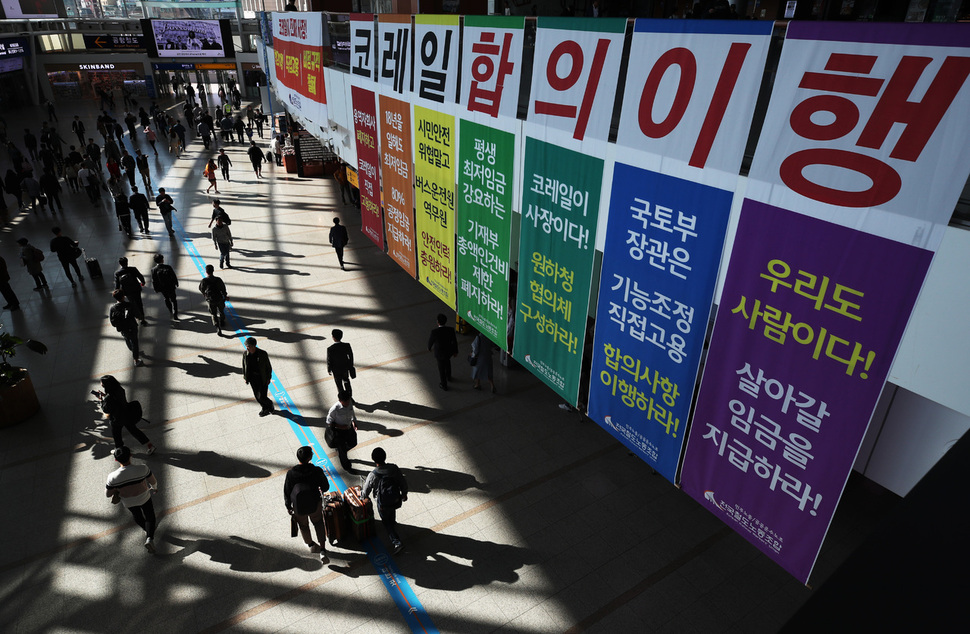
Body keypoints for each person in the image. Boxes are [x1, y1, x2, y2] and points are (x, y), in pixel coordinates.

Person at [105, 446, 158, 554]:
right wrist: (155, 488)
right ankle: (149, 538)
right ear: (131, 455)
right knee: (150, 516)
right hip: (144, 497)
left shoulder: (112, 477)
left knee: (137, 516)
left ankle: (146, 529)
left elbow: (108, 494)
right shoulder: (142, 468)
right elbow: (153, 481)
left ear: (116, 459)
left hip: (129, 502)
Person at [283, 446, 330, 560]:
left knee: (304, 526)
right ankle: (323, 550)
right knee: (318, 523)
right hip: (315, 503)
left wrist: (288, 506)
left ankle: (311, 545)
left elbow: (287, 491)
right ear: (309, 457)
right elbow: (325, 487)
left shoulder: (291, 473)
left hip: (299, 506)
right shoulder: (316, 471)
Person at [361, 447, 408, 554]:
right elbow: (402, 481)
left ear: (373, 460)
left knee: (386, 522)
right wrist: (404, 493)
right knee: (392, 511)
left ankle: (397, 542)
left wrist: (362, 497)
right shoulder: (394, 468)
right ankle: (393, 522)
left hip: (382, 503)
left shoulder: (373, 475)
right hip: (395, 498)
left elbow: (366, 490)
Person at [109, 290, 144, 366]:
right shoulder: (130, 305)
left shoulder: (113, 308)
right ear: (123, 296)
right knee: (134, 342)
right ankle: (136, 359)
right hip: (132, 326)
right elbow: (138, 315)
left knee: (127, 339)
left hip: (123, 328)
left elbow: (113, 322)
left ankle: (132, 349)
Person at [326, 390, 357, 471]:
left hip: (349, 428)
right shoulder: (334, 409)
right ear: (340, 401)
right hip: (339, 432)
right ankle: (347, 467)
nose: (348, 403)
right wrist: (340, 426)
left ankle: (341, 451)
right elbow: (329, 422)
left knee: (353, 442)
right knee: (343, 452)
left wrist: (354, 421)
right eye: (345, 401)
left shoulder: (349, 403)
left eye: (349, 400)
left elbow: (352, 412)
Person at [242, 337, 274, 415]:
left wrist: (268, 378)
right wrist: (245, 377)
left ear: (254, 346)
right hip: (252, 378)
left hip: (262, 378)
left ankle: (269, 405)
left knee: (262, 396)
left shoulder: (263, 354)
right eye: (246, 346)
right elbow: (244, 365)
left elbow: (268, 367)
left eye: (248, 346)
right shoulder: (245, 354)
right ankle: (265, 407)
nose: (247, 348)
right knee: (257, 396)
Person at [428, 313, 458, 390]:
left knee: (441, 369)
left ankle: (444, 385)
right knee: (448, 363)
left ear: (438, 322)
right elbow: (454, 341)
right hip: (448, 352)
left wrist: (429, 348)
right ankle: (449, 377)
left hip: (439, 353)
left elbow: (430, 342)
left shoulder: (434, 332)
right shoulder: (450, 330)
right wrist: (455, 351)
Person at [114, 257, 147, 324]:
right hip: (136, 289)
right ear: (127, 262)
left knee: (132, 303)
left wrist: (117, 293)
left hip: (127, 291)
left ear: (120, 264)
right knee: (139, 303)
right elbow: (140, 276)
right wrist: (142, 282)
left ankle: (137, 316)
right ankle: (142, 318)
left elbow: (117, 285)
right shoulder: (133, 269)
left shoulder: (117, 273)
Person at [199, 264, 228, 334]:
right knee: (221, 311)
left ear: (206, 272)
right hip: (219, 298)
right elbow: (223, 289)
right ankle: (222, 321)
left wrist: (205, 294)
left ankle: (217, 327)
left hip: (210, 300)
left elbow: (201, 289)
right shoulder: (218, 279)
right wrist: (225, 295)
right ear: (213, 271)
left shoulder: (204, 281)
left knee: (213, 314)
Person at [326, 329, 355, 398]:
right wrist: (350, 366)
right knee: (346, 381)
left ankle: (343, 398)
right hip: (345, 368)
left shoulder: (330, 349)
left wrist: (329, 369)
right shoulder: (347, 345)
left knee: (339, 384)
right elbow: (351, 356)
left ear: (333, 337)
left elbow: (329, 360)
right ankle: (349, 396)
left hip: (336, 370)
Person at [150, 253, 179, 320]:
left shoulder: (153, 270)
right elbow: (173, 276)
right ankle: (175, 313)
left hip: (162, 288)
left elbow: (154, 280)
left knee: (166, 298)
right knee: (174, 300)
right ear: (162, 260)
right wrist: (176, 283)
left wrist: (155, 288)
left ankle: (170, 311)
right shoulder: (168, 267)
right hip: (171, 286)